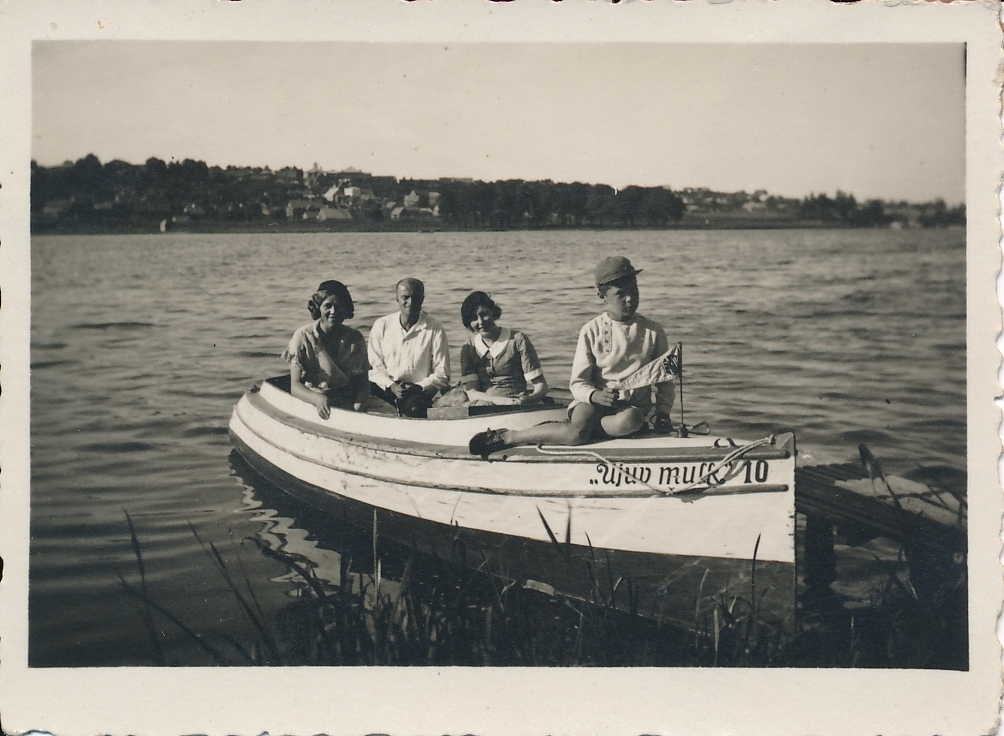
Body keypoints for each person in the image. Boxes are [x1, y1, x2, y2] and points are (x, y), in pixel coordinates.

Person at [468, 256, 675, 457]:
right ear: (602, 297)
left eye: (634, 290)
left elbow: (666, 379)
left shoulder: (653, 331)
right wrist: (595, 396)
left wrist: (663, 413)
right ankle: (511, 436)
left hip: (630, 409)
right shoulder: (591, 330)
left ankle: (565, 431)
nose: (630, 298)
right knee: (576, 434)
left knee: (631, 420)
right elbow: (578, 383)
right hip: (592, 403)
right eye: (621, 294)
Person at [282, 280, 369, 419]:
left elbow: (363, 383)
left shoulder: (355, 338)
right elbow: (295, 385)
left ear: (346, 308)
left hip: (348, 401)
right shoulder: (303, 336)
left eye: (339, 306)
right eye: (328, 306)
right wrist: (317, 398)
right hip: (314, 402)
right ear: (318, 308)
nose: (333, 311)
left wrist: (358, 407)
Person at [368, 277, 451, 417]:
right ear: (397, 299)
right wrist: (391, 386)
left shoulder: (434, 328)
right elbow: (373, 367)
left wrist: (419, 387)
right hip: (386, 388)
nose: (410, 303)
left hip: (418, 392)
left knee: (414, 408)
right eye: (405, 298)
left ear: (422, 299)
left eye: (416, 297)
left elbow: (442, 373)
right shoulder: (381, 325)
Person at [459, 291, 548, 406]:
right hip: (482, 406)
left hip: (516, 404)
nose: (481, 322)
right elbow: (472, 392)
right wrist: (503, 402)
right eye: (474, 318)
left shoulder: (517, 340)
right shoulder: (468, 348)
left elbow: (541, 386)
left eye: (484, 314)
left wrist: (530, 399)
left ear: (493, 312)